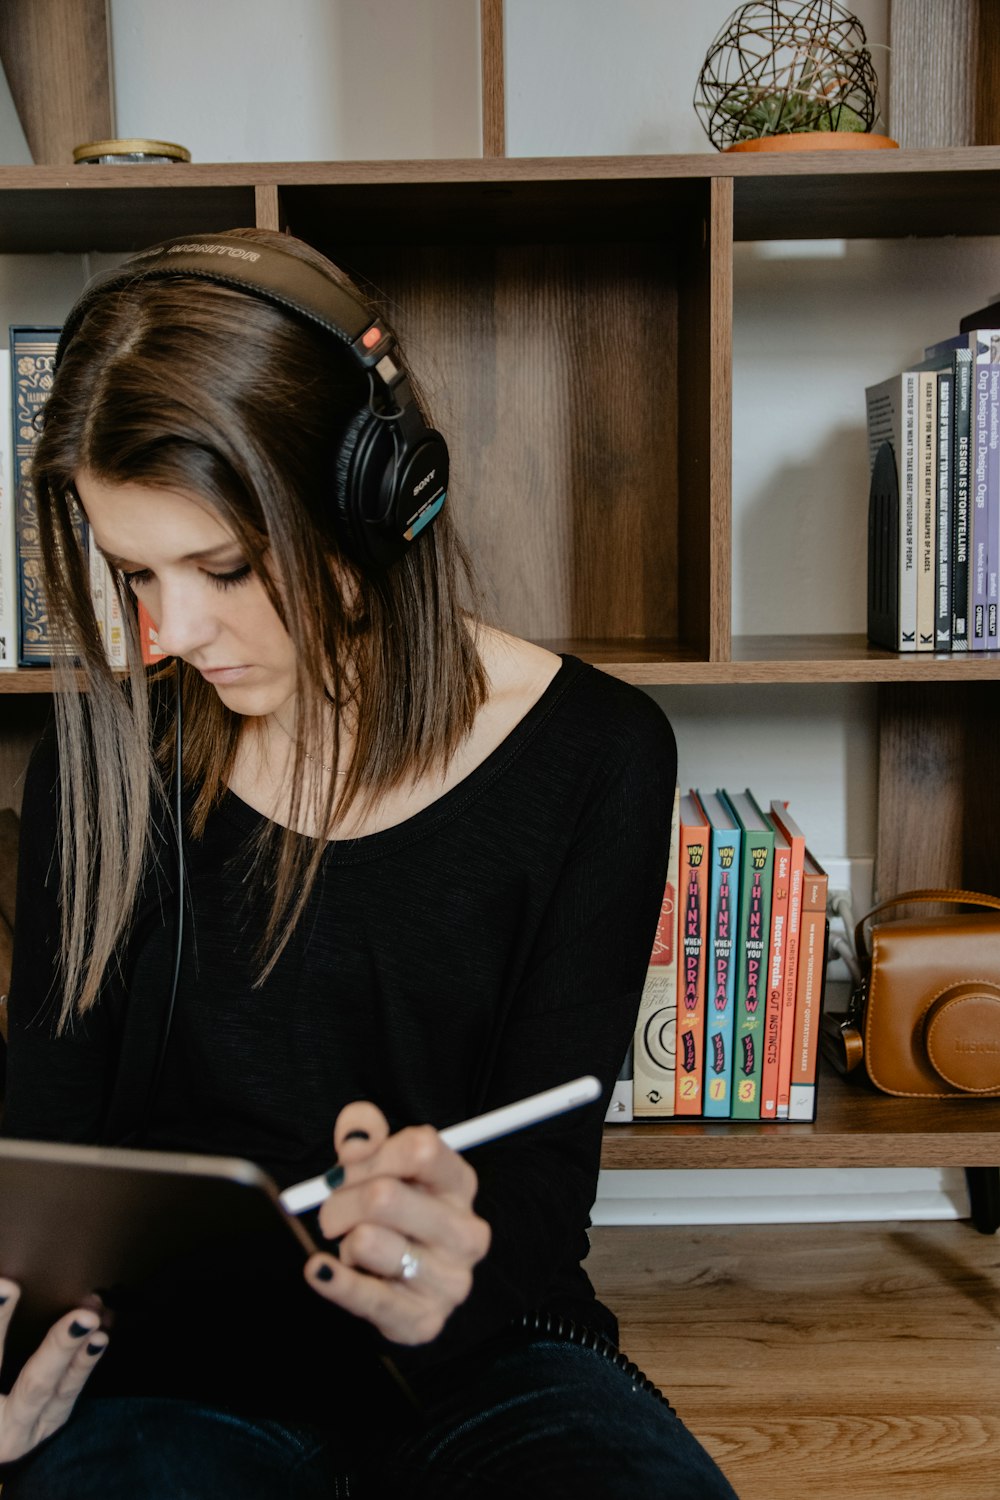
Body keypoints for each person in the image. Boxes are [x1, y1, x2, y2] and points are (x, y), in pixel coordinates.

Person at [0, 228, 738, 1498]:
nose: (169, 633)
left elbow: (545, 1187)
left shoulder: (600, 756)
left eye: (223, 568)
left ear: (372, 499)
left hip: (482, 1354)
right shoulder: (105, 763)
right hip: (167, 1370)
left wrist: (454, 1263)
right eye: (135, 574)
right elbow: (46, 1149)